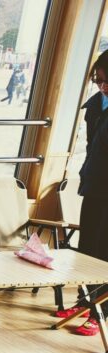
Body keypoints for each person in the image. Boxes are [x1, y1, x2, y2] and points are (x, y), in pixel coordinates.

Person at [75, 50, 108, 336]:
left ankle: (100, 313)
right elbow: (91, 148)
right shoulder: (95, 105)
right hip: (94, 185)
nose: (103, 86)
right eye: (99, 80)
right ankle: (84, 302)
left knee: (104, 250)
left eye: (107, 81)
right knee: (86, 247)